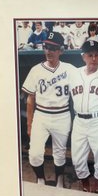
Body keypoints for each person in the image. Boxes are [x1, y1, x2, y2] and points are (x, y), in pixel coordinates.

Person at [22, 31, 76, 187]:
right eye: (46, 47)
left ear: (61, 51)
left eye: (53, 48)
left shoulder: (70, 69)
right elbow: (30, 99)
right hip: (41, 115)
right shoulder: (36, 70)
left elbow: (87, 75)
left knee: (59, 153)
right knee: (34, 154)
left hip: (62, 115)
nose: (48, 51)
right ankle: (40, 179)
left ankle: (60, 179)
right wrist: (30, 124)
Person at [70, 40, 98, 194]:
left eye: (97, 55)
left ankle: (97, 186)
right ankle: (85, 183)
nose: (94, 58)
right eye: (90, 55)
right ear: (84, 57)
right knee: (77, 159)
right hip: (79, 121)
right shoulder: (74, 73)